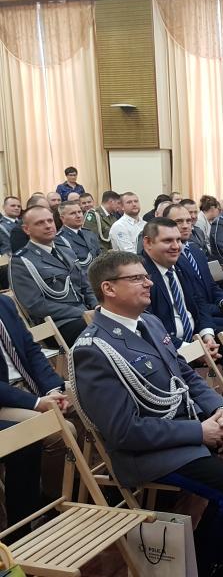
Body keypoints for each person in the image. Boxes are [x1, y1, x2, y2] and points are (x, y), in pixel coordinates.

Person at [71, 251, 223, 577]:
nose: (148, 282)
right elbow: (125, 431)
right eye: (136, 278)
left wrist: (219, 411)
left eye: (146, 276)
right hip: (148, 451)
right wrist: (200, 432)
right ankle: (206, 563)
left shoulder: (149, 322)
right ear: (109, 289)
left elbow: (184, 377)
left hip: (187, 426)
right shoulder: (93, 349)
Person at [0, 292, 74, 503]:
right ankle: (54, 500)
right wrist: (37, 403)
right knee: (62, 431)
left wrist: (52, 390)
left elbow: (33, 351)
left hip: (31, 386)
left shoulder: (4, 302)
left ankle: (88, 486)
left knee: (91, 397)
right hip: (4, 401)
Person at [9, 206, 97, 346]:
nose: (48, 225)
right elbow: (36, 305)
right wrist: (81, 312)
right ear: (27, 229)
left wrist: (96, 305)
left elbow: (85, 286)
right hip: (60, 323)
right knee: (97, 332)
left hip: (85, 313)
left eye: (50, 221)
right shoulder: (22, 261)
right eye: (40, 223)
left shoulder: (66, 251)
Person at [140, 218, 220, 355]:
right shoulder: (139, 274)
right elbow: (148, 328)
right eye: (167, 241)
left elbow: (199, 302)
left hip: (196, 338)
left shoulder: (182, 263)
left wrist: (207, 335)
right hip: (166, 348)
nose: (176, 246)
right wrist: (193, 351)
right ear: (148, 243)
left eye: (178, 240)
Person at [164, 204, 223, 332]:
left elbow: (211, 285)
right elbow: (190, 302)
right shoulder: (170, 257)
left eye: (188, 221)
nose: (185, 225)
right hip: (195, 318)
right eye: (178, 221)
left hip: (210, 312)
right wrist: (220, 309)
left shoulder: (195, 250)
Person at [57, 201, 102, 275]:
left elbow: (100, 256)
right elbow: (71, 268)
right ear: (62, 218)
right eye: (73, 213)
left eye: (79, 212)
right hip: (82, 282)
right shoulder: (60, 239)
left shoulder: (89, 233)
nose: (78, 216)